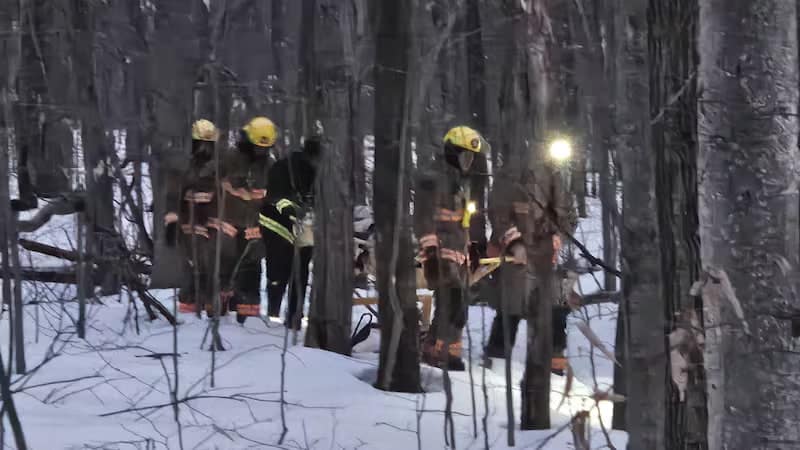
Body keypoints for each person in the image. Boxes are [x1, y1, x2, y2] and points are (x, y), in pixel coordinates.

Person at [483, 155, 577, 373]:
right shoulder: (509, 174)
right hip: (517, 253)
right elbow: (498, 215)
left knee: (555, 306)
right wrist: (515, 243)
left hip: (545, 253)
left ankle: (554, 364)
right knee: (512, 306)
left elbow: (568, 216)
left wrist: (559, 237)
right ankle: (496, 361)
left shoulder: (557, 176)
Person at [415, 125, 487, 371]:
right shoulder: (435, 177)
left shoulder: (459, 182)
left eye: (472, 157)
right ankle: (441, 354)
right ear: (452, 151)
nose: (469, 162)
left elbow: (461, 222)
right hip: (440, 254)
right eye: (465, 155)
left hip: (457, 255)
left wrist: (472, 249)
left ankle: (436, 350)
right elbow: (423, 217)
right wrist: (432, 253)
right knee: (452, 304)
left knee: (454, 305)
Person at [215, 116, 278, 324]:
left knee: (251, 265)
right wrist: (231, 187)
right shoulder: (230, 157)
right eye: (257, 147)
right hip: (229, 220)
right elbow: (213, 178)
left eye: (264, 148)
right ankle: (219, 310)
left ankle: (248, 313)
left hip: (255, 223)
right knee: (226, 264)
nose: (260, 152)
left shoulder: (269, 163)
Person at [164, 119, 227, 314]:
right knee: (191, 267)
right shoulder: (184, 167)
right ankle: (190, 308)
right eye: (202, 143)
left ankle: (211, 305)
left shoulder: (220, 166)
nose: (205, 148)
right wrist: (171, 223)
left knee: (212, 267)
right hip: (189, 224)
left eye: (208, 144)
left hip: (214, 226)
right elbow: (173, 195)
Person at [259, 137, 320, 329]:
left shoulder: (314, 170)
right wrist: (295, 210)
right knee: (285, 270)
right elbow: (276, 197)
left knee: (296, 272)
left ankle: (290, 316)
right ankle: (278, 315)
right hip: (278, 225)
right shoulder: (287, 169)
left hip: (299, 226)